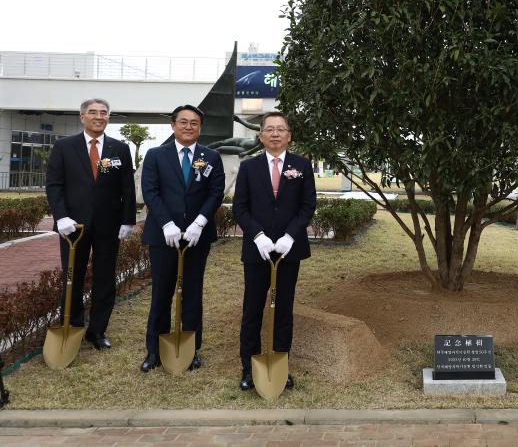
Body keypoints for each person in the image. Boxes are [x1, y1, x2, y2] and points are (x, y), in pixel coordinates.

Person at [232, 112, 316, 391]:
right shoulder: (249, 167)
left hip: (289, 250)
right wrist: (258, 236)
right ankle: (249, 367)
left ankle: (281, 364)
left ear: (289, 135)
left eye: (281, 129)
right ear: (261, 136)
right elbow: (240, 207)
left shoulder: (302, 165)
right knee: (252, 309)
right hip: (257, 250)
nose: (276, 134)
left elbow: (307, 206)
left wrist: (290, 236)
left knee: (283, 309)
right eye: (270, 129)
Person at [139, 105, 225, 373]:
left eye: (195, 123)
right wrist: (167, 224)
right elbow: (150, 191)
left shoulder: (211, 156)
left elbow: (216, 191)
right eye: (184, 122)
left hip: (197, 237)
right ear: (173, 125)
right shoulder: (156, 155)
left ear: (200, 127)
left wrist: (200, 222)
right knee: (161, 292)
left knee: (192, 292)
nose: (189, 127)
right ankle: (154, 350)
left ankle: (191, 347)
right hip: (163, 235)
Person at [45, 98, 136, 350]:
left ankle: (97, 331)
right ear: (82, 116)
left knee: (105, 278)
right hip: (72, 226)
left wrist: (128, 219)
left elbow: (127, 186)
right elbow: (54, 185)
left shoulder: (119, 148)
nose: (99, 116)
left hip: (109, 225)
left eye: (104, 113)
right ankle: (72, 325)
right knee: (72, 276)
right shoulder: (64, 146)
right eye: (93, 112)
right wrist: (60, 216)